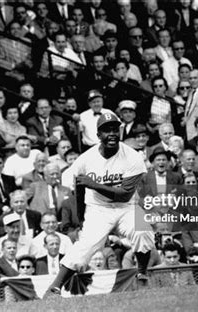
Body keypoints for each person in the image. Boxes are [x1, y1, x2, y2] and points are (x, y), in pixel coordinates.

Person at [44, 112, 154, 297]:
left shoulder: (133, 156)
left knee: (143, 231)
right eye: (106, 130)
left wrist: (93, 184)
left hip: (127, 207)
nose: (111, 134)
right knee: (84, 247)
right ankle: (54, 288)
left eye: (114, 129)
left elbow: (125, 195)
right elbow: (79, 188)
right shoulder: (86, 158)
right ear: (98, 135)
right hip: (98, 209)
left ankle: (142, 272)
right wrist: (80, 216)